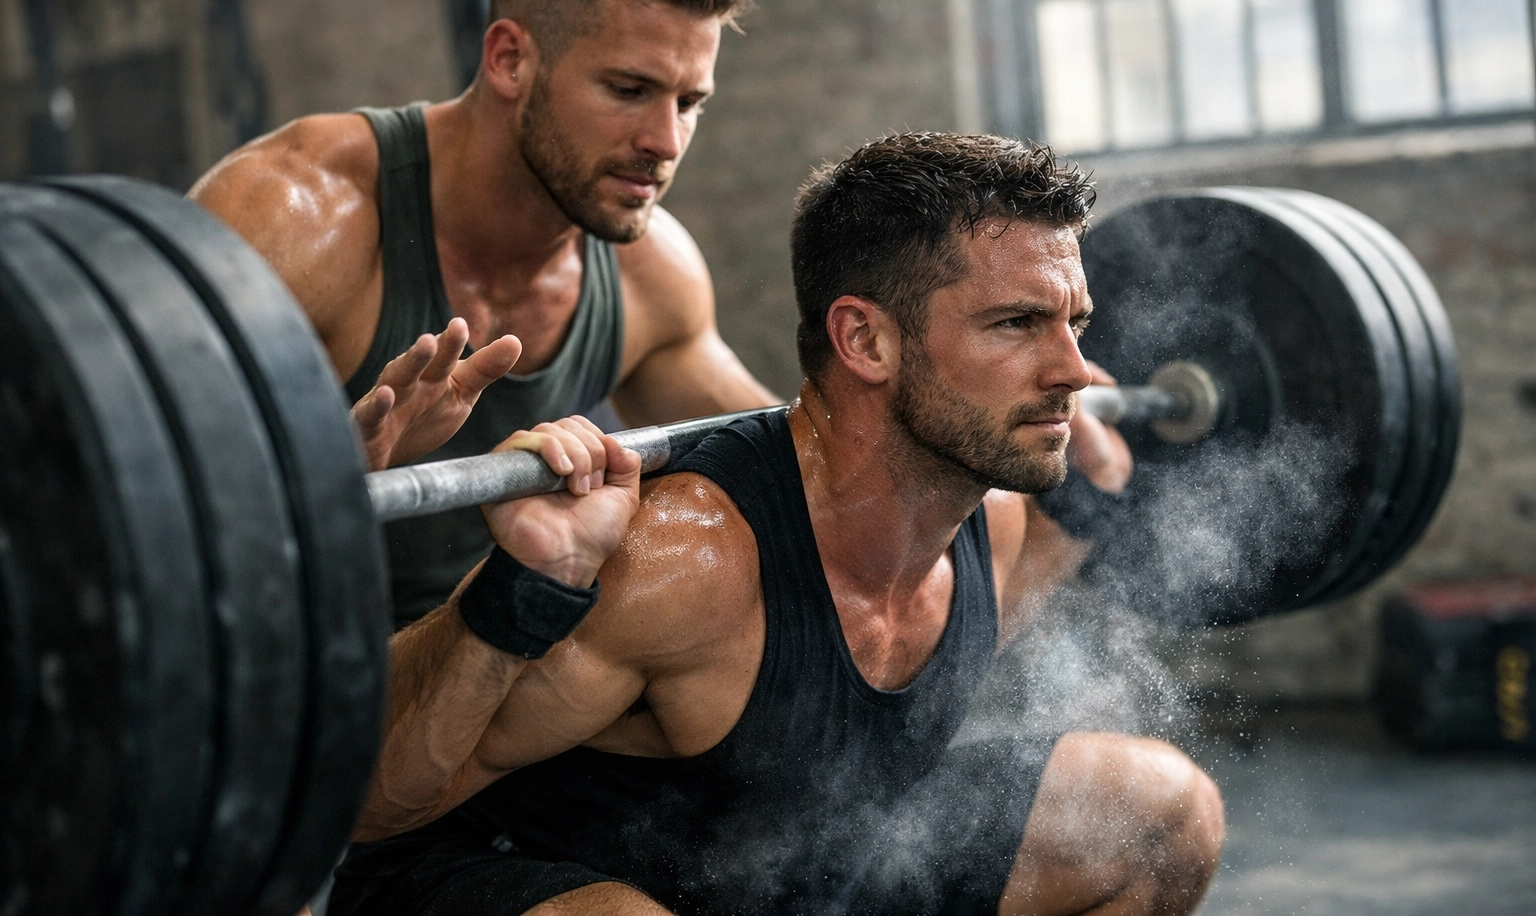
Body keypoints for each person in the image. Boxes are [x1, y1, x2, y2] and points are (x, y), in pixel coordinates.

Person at [329, 132, 1225, 916]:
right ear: (865, 341)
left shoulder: (990, 523)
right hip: (535, 879)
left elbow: (941, 675)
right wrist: (522, 588)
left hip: (785, 861)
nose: (1075, 368)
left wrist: (1081, 506)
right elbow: (369, 805)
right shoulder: (684, 563)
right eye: (1020, 323)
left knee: (1162, 816)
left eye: (1074, 322)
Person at [188, 0, 777, 627]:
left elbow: (789, 459)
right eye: (629, 89)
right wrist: (331, 470)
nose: (666, 140)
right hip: (306, 680)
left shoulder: (650, 272)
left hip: (507, 667)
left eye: (690, 102)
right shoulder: (297, 217)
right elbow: (132, 505)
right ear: (510, 59)